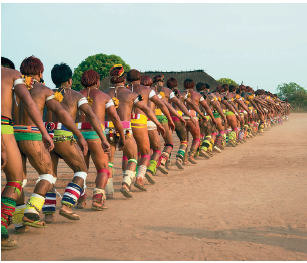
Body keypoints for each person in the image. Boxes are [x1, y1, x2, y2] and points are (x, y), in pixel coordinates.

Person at [10, 56, 88, 231]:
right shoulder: (43, 90)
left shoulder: (12, 88)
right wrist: (78, 135)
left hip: (12, 137)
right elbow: (62, 114)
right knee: (48, 176)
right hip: (32, 136)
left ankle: (19, 222)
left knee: (19, 180)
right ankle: (31, 211)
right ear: (40, 72)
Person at [43, 63, 109, 221]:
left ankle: (48, 213)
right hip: (64, 136)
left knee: (49, 175)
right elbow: (92, 116)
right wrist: (103, 138)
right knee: (81, 170)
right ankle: (66, 205)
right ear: (70, 81)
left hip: (46, 136)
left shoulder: (44, 93)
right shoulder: (76, 96)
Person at [1, 65, 53, 249]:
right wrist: (44, 132)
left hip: (12, 132)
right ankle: (2, 231)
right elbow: (30, 104)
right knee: (16, 181)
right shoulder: (10, 74)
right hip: (5, 128)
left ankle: (18, 222)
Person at [104, 65, 165, 198]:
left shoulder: (104, 94)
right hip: (125, 129)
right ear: (123, 79)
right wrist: (158, 124)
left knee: (109, 161)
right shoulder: (131, 94)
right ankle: (126, 183)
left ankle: (108, 191)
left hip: (108, 129)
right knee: (133, 157)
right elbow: (147, 109)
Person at [76, 69, 125, 209]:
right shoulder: (104, 97)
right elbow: (115, 117)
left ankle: (81, 199)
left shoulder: (75, 95)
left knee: (81, 169)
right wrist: (122, 136)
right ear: (97, 82)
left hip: (78, 135)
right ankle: (97, 198)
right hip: (96, 135)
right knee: (103, 168)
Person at [127, 69, 174, 187]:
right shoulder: (149, 91)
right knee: (156, 149)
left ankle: (126, 180)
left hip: (126, 123)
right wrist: (169, 119)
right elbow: (163, 105)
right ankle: (148, 171)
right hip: (146, 121)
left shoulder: (123, 90)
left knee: (132, 153)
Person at [152, 75, 196, 172]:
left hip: (153, 118)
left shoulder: (149, 91)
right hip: (170, 118)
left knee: (159, 144)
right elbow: (180, 104)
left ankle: (164, 164)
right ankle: (178, 158)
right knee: (182, 140)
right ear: (163, 82)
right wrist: (190, 116)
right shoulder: (176, 93)